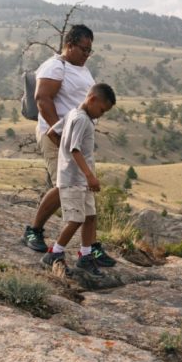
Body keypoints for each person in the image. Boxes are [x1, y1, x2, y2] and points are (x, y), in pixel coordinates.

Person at [23, 25, 118, 269]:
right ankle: (33, 231)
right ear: (70, 45)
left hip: (75, 134)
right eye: (84, 49)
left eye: (90, 50)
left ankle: (90, 248)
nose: (87, 54)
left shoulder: (82, 69)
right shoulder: (55, 66)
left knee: (81, 190)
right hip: (58, 134)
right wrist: (58, 133)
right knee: (63, 185)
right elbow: (43, 99)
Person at [40, 83, 117, 275]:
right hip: (75, 179)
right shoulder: (82, 119)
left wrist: (64, 153)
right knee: (76, 219)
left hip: (80, 179)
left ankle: (85, 255)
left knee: (90, 217)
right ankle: (54, 252)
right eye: (101, 109)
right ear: (92, 99)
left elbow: (51, 133)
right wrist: (89, 175)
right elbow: (75, 149)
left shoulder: (72, 114)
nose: (101, 114)